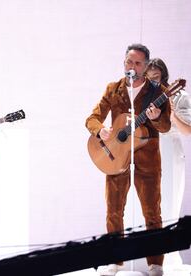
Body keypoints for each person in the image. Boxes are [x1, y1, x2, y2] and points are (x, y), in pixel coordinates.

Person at [85, 44, 171, 276]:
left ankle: (155, 263)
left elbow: (165, 126)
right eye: (128, 62)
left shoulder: (159, 91)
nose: (131, 67)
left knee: (152, 211)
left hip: (147, 156)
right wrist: (100, 130)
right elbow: (92, 118)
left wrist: (156, 117)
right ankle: (115, 260)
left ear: (146, 67)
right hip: (116, 155)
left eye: (137, 63)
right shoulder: (114, 89)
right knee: (113, 210)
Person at [146, 58, 191, 265]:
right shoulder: (142, 96)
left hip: (170, 150)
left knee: (170, 203)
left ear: (164, 76)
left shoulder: (178, 95)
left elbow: (188, 131)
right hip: (145, 152)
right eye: (149, 78)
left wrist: (172, 115)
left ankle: (169, 258)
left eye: (156, 78)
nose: (153, 82)